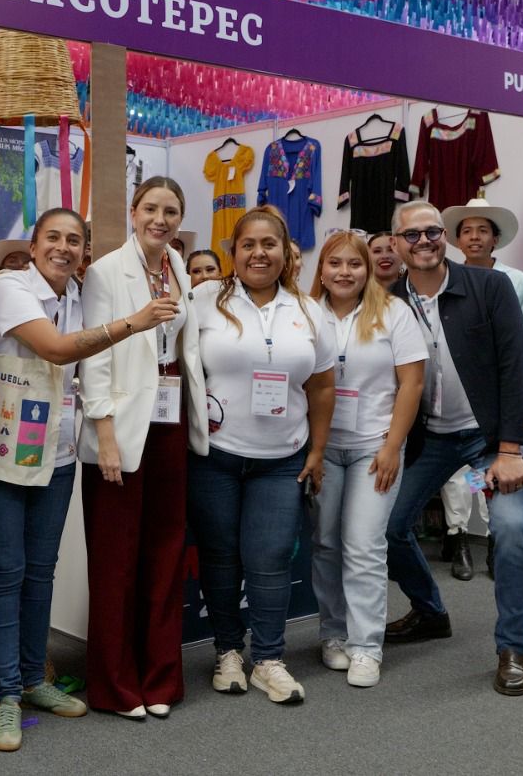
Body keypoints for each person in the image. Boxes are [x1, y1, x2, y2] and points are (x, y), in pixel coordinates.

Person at [0, 207, 171, 748]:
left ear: (84, 251)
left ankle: (33, 678)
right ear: (33, 245)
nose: (63, 248)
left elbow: (94, 367)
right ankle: (6, 695)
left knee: (42, 572)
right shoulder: (10, 287)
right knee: (6, 572)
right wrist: (134, 322)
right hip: (6, 450)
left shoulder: (80, 296)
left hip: (59, 452)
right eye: (53, 238)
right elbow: (57, 349)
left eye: (74, 241)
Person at [383, 200, 523, 696]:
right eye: (412, 235)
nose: (424, 242)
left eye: (432, 232)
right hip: (431, 439)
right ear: (396, 244)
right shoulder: (388, 301)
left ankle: (512, 648)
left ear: (443, 237)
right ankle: (430, 612)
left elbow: (516, 367)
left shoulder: (490, 287)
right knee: (388, 527)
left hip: (493, 439)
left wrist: (510, 450)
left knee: (509, 527)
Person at [189, 206, 334, 704]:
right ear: (233, 251)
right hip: (216, 454)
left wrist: (318, 450)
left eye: (269, 244)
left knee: (270, 558)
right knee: (220, 556)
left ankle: (269, 659)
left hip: (282, 458)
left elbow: (322, 387)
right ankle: (228, 651)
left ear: (285, 252)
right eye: (247, 244)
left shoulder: (310, 310)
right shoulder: (205, 299)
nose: (258, 253)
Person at [80, 176, 196, 719]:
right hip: (121, 428)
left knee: (165, 554)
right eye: (151, 208)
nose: (160, 220)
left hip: (170, 421)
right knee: (116, 560)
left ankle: (160, 678)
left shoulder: (177, 265)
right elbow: (94, 354)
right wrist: (104, 433)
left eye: (170, 211)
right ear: (133, 212)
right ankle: (115, 685)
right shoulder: (106, 272)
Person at [308, 231, 426, 688]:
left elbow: (412, 383)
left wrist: (393, 446)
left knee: (363, 545)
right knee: (325, 544)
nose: (344, 272)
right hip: (321, 448)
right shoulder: (305, 312)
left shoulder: (394, 312)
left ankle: (366, 646)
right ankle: (333, 635)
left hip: (373, 449)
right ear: (321, 270)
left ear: (369, 269)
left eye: (354, 264)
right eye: (335, 263)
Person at [438, 198, 523, 580]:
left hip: (498, 395)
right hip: (454, 396)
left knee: (493, 471)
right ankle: (458, 535)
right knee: (457, 474)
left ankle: (493, 539)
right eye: (467, 231)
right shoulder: (444, 280)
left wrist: (491, 355)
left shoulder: (515, 280)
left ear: (495, 239)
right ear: (457, 240)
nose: (474, 237)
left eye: (482, 230)